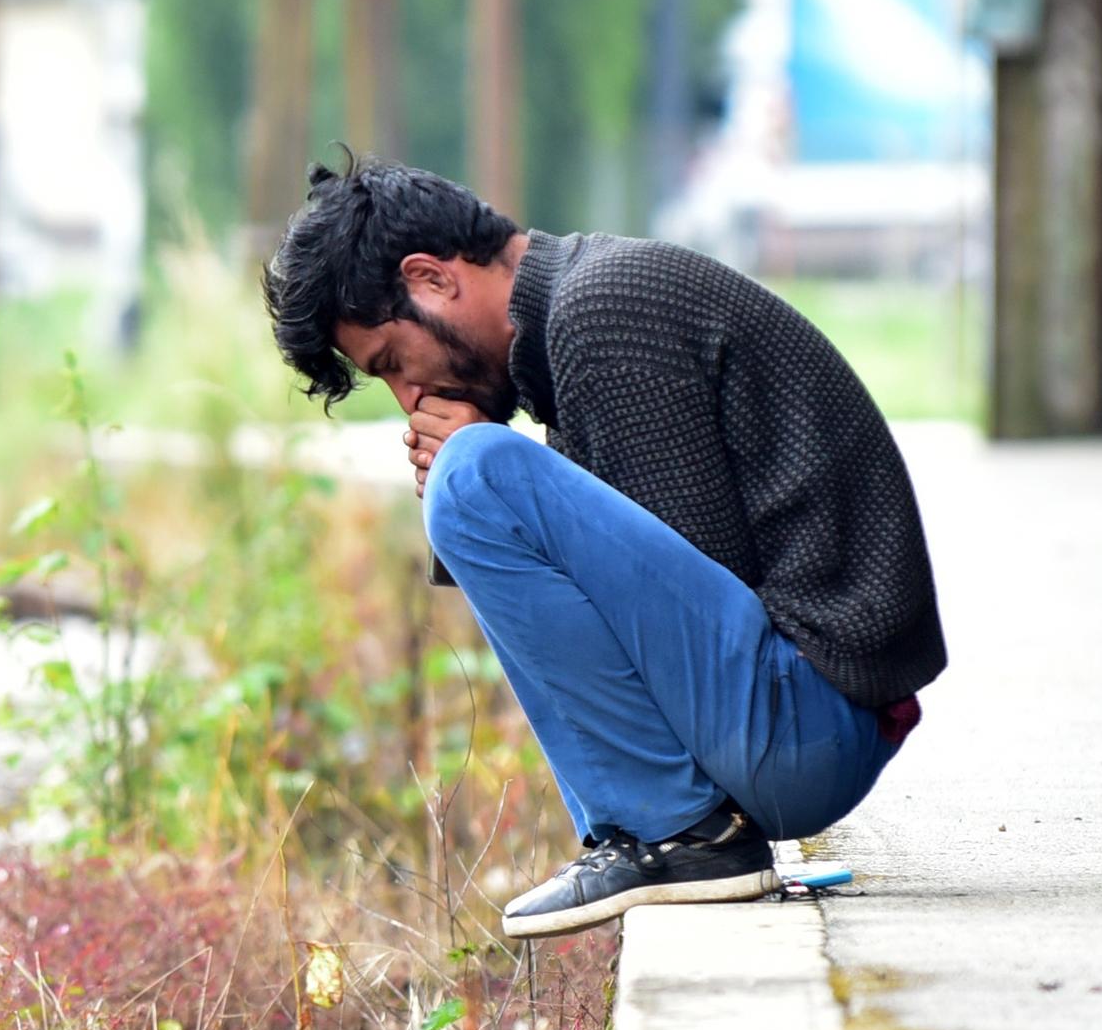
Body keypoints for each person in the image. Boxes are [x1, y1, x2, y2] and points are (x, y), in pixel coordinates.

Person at [263, 158, 944, 937]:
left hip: (810, 719)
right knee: (476, 476)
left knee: (476, 473)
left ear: (432, 278)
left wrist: (479, 472)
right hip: (805, 718)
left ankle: (678, 835)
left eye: (391, 362)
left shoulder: (605, 313)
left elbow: (692, 579)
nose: (407, 397)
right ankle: (660, 830)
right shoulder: (583, 316)